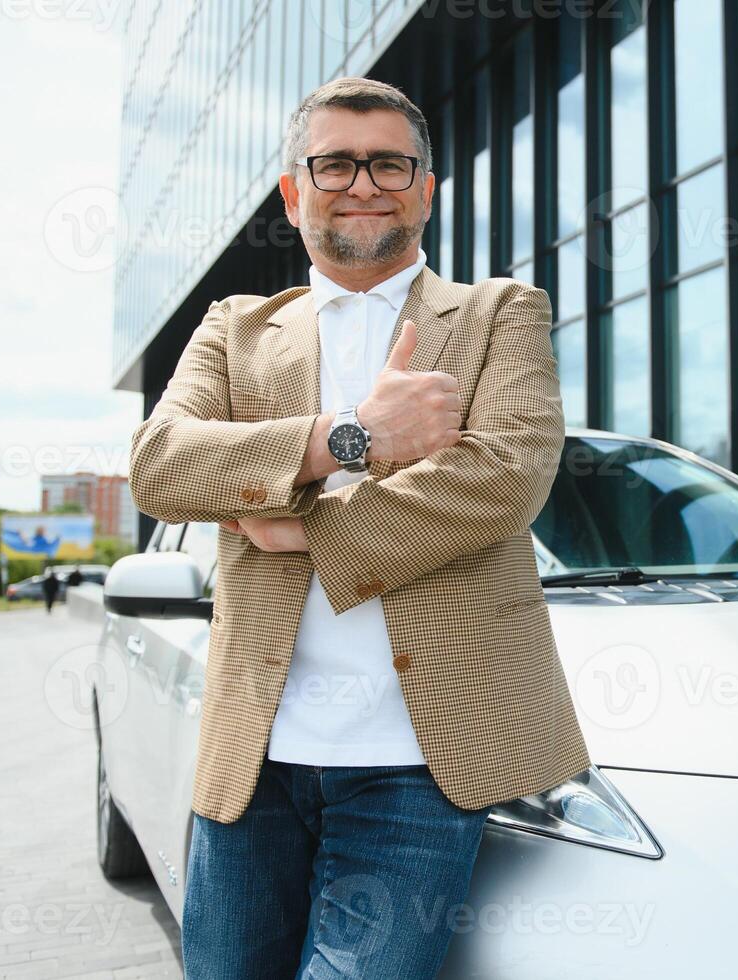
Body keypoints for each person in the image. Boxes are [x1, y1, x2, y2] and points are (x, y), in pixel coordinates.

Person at [127, 77, 591, 978]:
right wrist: (349, 440)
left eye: (390, 163)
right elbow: (160, 465)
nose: (364, 183)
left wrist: (295, 523)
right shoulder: (234, 330)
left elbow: (504, 480)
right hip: (251, 760)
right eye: (335, 162)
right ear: (294, 192)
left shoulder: (501, 314)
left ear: (426, 187)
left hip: (416, 768)